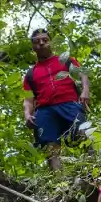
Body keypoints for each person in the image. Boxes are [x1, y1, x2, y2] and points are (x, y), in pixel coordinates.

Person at [23, 28, 91, 171]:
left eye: (45, 40)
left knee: (85, 134)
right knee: (50, 147)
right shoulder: (30, 73)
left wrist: (85, 91)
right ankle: (59, 183)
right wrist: (27, 115)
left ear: (51, 42)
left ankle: (96, 171)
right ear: (33, 47)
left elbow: (83, 73)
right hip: (45, 110)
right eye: (37, 41)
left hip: (70, 104)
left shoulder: (66, 60)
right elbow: (28, 99)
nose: (41, 43)